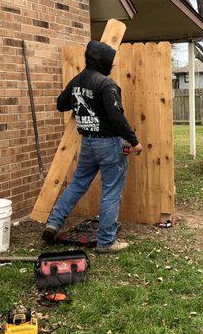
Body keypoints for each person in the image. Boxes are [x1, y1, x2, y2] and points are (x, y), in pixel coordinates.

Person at [42, 40, 142, 253]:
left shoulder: (77, 81)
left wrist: (80, 101)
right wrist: (134, 141)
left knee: (77, 184)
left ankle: (53, 223)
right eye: (110, 62)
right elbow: (117, 118)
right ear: (103, 61)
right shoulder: (106, 84)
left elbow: (61, 104)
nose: (112, 66)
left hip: (87, 143)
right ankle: (106, 242)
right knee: (111, 191)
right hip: (108, 144)